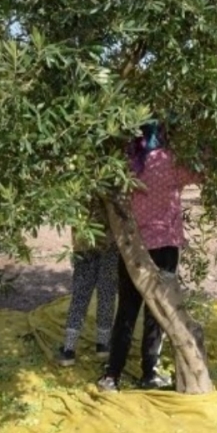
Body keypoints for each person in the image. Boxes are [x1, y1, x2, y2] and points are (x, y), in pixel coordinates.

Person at [96, 120, 201, 392]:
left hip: (133, 246)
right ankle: (148, 372)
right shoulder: (170, 161)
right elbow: (200, 174)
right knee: (157, 311)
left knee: (127, 311)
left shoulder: (127, 162)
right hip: (164, 245)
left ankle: (112, 375)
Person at [55, 199, 118, 367]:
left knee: (80, 297)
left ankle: (69, 349)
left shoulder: (79, 181)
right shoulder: (111, 181)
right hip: (109, 243)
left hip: (83, 245)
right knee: (107, 294)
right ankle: (103, 345)